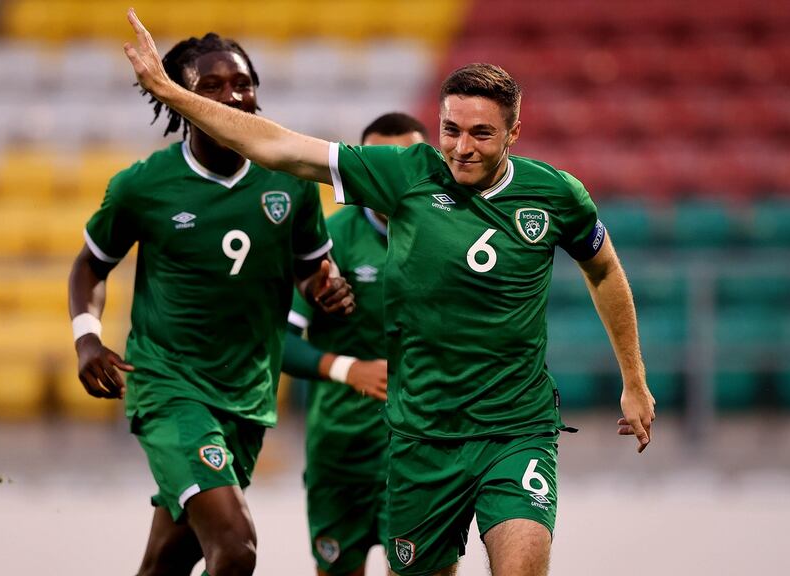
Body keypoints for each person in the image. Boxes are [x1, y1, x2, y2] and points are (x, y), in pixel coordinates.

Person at [123, 10, 656, 576]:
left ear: (513, 133)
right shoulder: (406, 175)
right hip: (420, 439)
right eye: (451, 131)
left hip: (514, 430)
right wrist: (169, 92)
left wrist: (635, 380)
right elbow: (280, 147)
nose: (462, 149)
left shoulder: (554, 194)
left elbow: (604, 270)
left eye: (482, 134)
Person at [68, 32, 354, 576]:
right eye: (214, 85)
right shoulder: (143, 186)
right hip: (170, 385)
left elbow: (312, 266)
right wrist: (87, 337)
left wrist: (325, 285)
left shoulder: (289, 180)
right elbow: (90, 265)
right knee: (236, 546)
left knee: (167, 562)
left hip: (248, 395)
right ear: (182, 99)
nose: (233, 96)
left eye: (244, 83)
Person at [283, 112, 428, 576]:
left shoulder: (447, 237)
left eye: (403, 159)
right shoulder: (327, 240)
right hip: (340, 452)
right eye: (376, 160)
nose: (389, 172)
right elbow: (279, 342)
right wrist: (349, 368)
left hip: (419, 449)